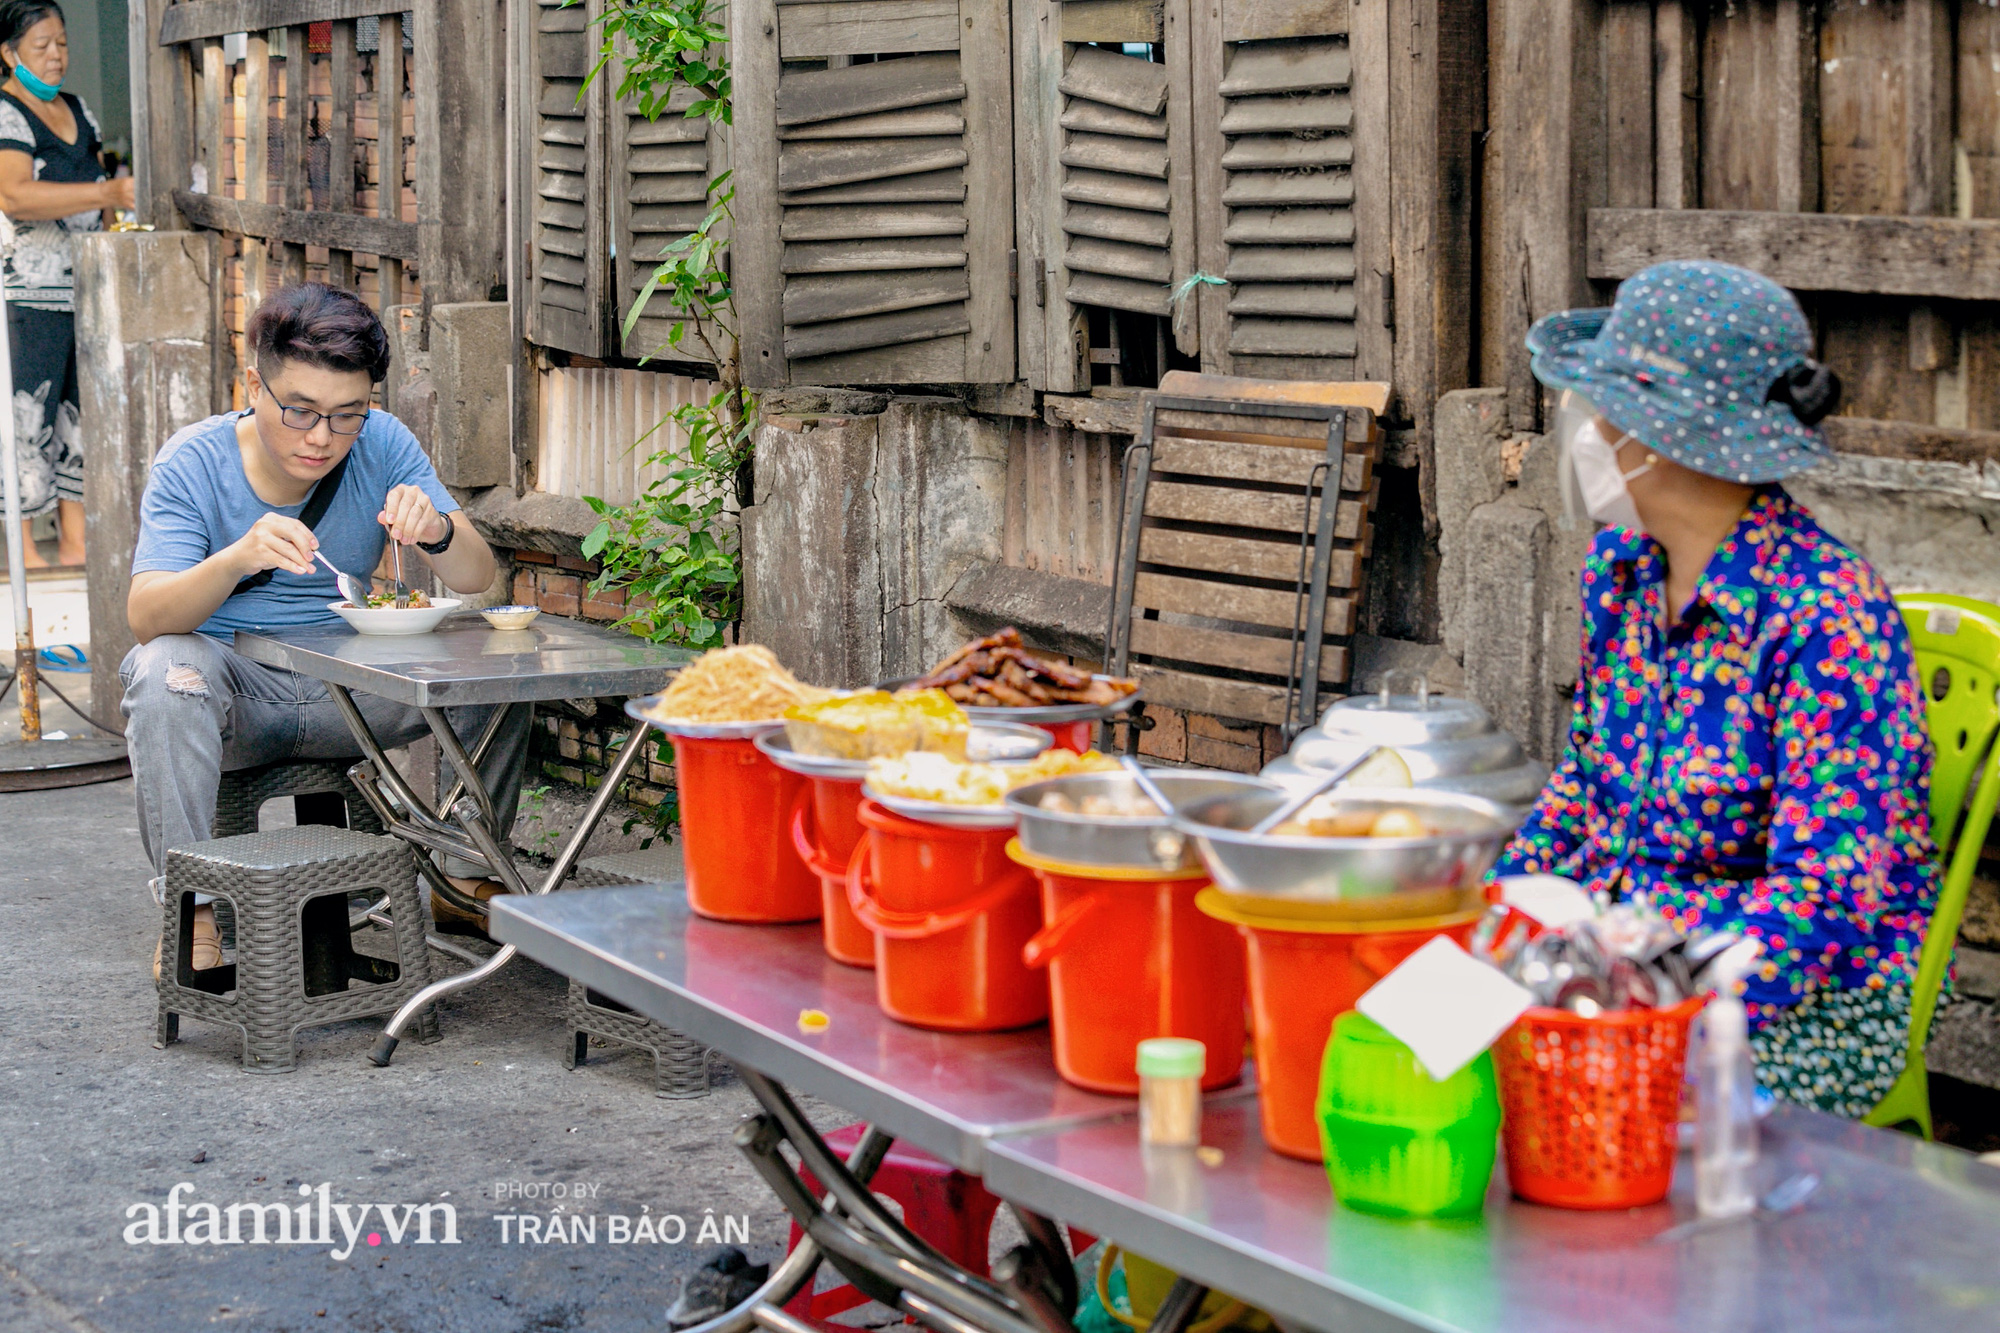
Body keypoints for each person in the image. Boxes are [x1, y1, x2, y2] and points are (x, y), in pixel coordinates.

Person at [1494, 260, 1940, 1120]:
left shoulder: (1829, 617)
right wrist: (1495, 919)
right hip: (1623, 955)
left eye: (1602, 409)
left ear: (1657, 436)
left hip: (1801, 1002)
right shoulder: (1618, 573)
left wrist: (1640, 993)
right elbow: (1587, 784)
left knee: (1569, 1101)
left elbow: (1825, 897)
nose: (1583, 431)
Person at [122, 282, 528, 975]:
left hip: (354, 688)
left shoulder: (383, 442)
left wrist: (434, 530)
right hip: (235, 696)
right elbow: (146, 616)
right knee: (166, 672)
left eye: (347, 414)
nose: (321, 437)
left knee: (501, 660)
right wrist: (234, 558)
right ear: (254, 383)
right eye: (301, 410)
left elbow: (474, 572)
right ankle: (188, 911)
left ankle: (461, 878)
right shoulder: (192, 461)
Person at [0, 0, 131, 566]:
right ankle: (25, 552)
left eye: (62, 44)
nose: (55, 57)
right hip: (26, 294)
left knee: (78, 419)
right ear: (8, 54)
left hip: (86, 294)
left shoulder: (80, 110)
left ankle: (77, 545)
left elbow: (103, 189)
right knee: (27, 418)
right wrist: (107, 195)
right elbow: (13, 195)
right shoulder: (5, 112)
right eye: (40, 47)